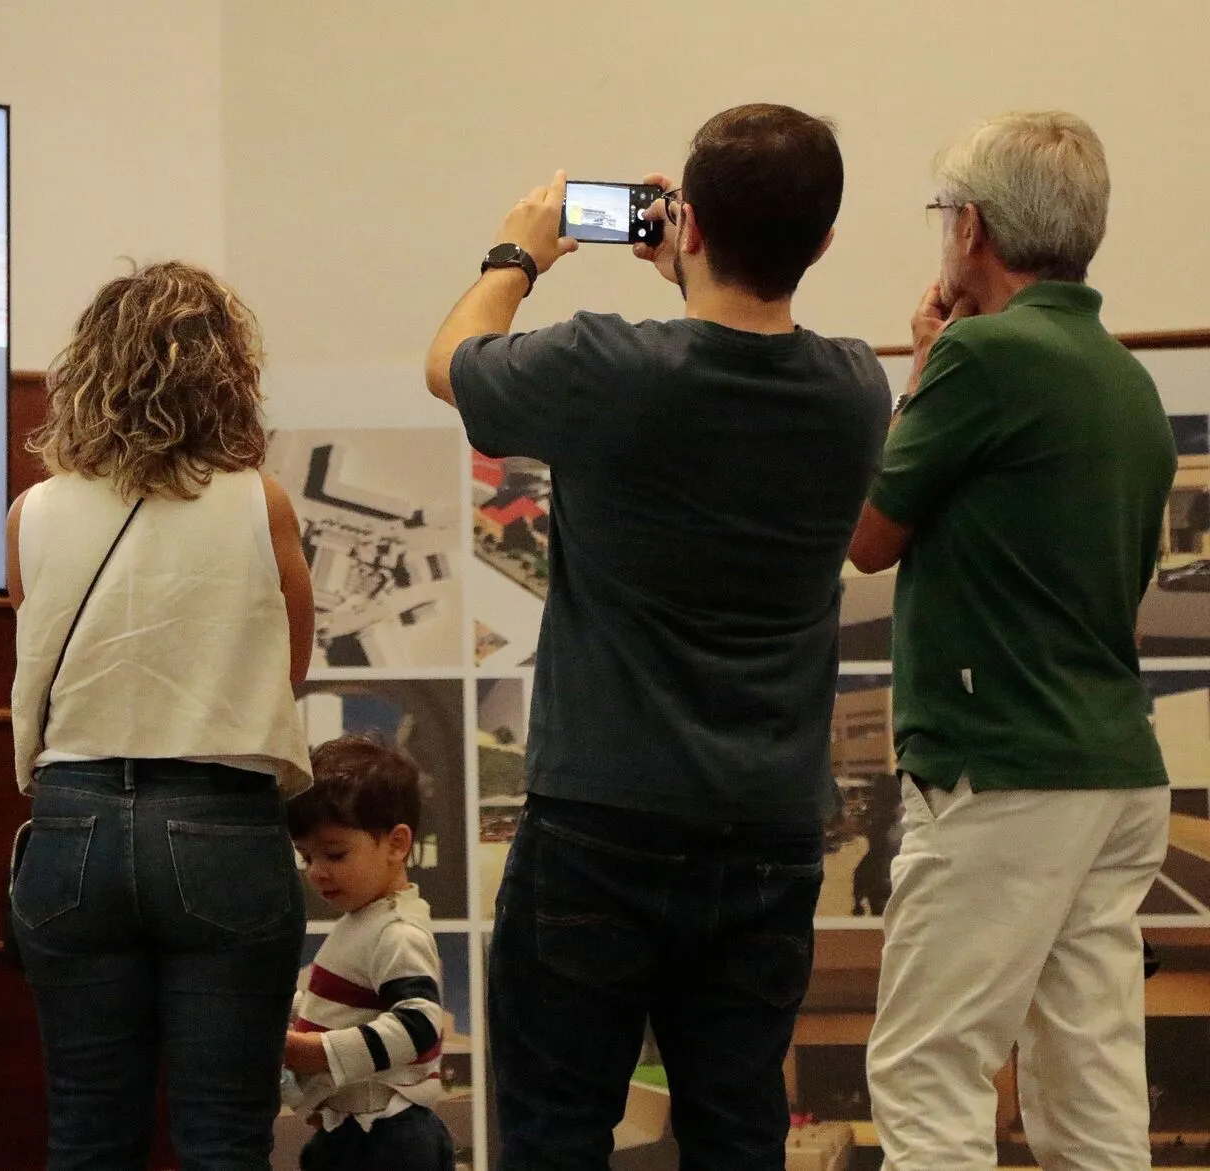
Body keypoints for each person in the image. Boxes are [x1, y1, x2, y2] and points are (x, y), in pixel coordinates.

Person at [424, 104, 891, 1168]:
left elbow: (452, 362)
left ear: (693, 223)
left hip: (601, 819)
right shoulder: (856, 387)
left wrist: (517, 253)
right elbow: (736, 344)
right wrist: (695, 273)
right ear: (822, 243)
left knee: (556, 1131)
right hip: (767, 830)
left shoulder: (608, 365)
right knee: (738, 1132)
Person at [851, 111, 1174, 1170]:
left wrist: (922, 368)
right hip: (1114, 767)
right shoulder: (1124, 377)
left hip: (1001, 765)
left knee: (929, 1069)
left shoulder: (982, 355)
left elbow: (869, 539)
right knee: (1091, 1084)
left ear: (971, 228)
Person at [6, 260, 318, 1171]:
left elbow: (37, 651)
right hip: (219, 821)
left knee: (88, 1134)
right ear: (228, 373)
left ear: (88, 370)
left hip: (74, 826)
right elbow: (286, 668)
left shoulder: (32, 513)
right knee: (223, 1139)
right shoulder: (259, 502)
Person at [282, 736, 454, 1171]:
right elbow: (343, 1008)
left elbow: (419, 1025)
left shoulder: (396, 930)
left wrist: (317, 1052)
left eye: (335, 853)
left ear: (397, 844)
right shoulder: (366, 921)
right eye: (306, 857)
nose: (317, 872)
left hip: (387, 1137)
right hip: (357, 1131)